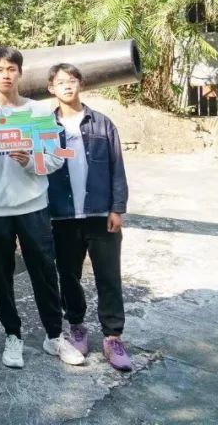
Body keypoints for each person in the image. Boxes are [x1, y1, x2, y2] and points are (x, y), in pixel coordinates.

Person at [0, 47, 85, 369]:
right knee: (2, 277)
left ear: (20, 73)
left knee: (44, 273)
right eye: (0, 69)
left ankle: (54, 335)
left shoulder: (39, 113)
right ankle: (12, 336)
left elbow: (55, 159)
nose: (6, 75)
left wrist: (31, 161)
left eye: (11, 69)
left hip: (34, 207)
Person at [46, 63, 133, 371]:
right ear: (51, 89)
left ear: (80, 84)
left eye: (72, 80)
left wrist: (117, 208)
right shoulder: (45, 128)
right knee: (68, 275)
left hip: (100, 213)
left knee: (108, 276)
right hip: (62, 215)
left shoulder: (102, 124)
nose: (67, 86)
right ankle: (77, 326)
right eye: (61, 82)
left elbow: (117, 167)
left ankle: (113, 336)